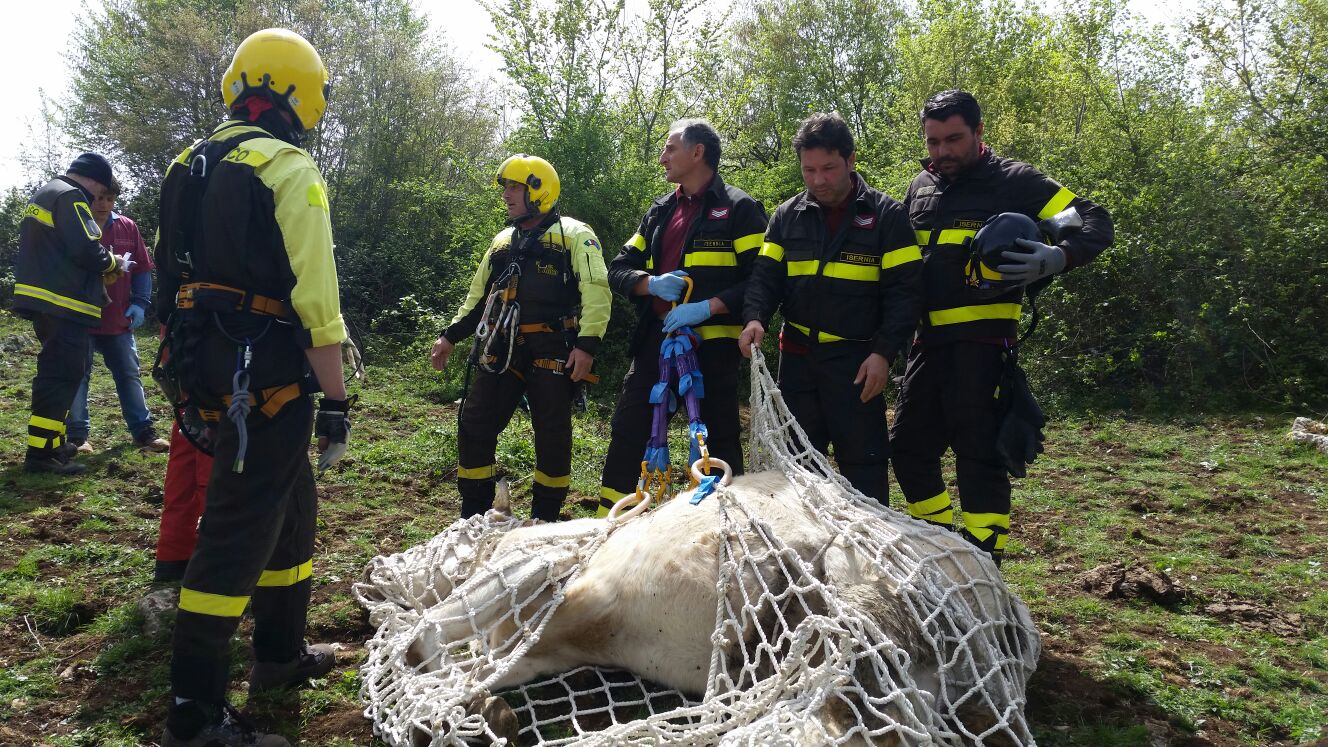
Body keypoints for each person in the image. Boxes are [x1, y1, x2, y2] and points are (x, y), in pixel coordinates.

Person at [153, 28, 350, 747]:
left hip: (207, 362)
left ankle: (279, 654)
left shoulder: (188, 163)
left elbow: (167, 276)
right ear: (298, 94)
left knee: (290, 504)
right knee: (237, 529)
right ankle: (195, 711)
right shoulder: (286, 167)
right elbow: (317, 301)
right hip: (264, 373)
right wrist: (337, 400)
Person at [891, 90, 1113, 564]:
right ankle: (940, 546)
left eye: (954, 139)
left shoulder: (1017, 182)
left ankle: (983, 565)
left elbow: (1094, 220)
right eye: (933, 141)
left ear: (979, 132)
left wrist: (1059, 256)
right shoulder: (921, 187)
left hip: (983, 346)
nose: (943, 151)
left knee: (979, 458)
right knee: (907, 448)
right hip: (927, 345)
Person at [740, 113, 923, 504]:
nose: (818, 180)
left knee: (865, 468)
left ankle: (870, 539)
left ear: (850, 160)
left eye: (828, 168)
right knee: (796, 467)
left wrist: (883, 354)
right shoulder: (787, 216)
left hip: (857, 363)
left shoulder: (887, 217)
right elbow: (765, 278)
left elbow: (905, 294)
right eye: (809, 170)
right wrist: (754, 317)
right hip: (798, 361)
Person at [597, 119, 767, 515]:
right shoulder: (660, 211)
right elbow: (618, 268)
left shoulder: (739, 209)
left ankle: (724, 528)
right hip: (657, 343)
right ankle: (610, 524)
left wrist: (709, 306)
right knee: (629, 432)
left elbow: (761, 280)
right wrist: (650, 284)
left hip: (713, 348)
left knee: (718, 439)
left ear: (697, 152)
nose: (662, 158)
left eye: (670, 148)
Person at [431, 155, 610, 522]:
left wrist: (587, 346)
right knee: (474, 421)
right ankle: (475, 514)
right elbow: (479, 297)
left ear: (538, 191)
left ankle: (544, 518)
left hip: (554, 349)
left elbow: (597, 289)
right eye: (506, 188)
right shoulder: (502, 242)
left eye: (515, 187)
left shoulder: (575, 234)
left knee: (552, 434)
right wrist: (450, 336)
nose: (506, 195)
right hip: (504, 347)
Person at [13, 152, 131, 474]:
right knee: (61, 377)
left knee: (60, 373)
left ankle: (53, 444)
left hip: (46, 300)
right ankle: (41, 455)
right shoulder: (71, 197)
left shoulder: (47, 192)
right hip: (64, 303)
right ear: (93, 179)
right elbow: (85, 248)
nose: (97, 199)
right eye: (100, 190)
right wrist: (114, 263)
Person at [65, 175, 170, 454]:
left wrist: (140, 303)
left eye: (109, 198)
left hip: (118, 319)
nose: (103, 204)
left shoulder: (127, 227)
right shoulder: (74, 227)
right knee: (78, 376)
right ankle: (77, 436)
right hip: (81, 318)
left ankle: (143, 431)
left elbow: (142, 268)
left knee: (129, 374)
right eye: (98, 198)